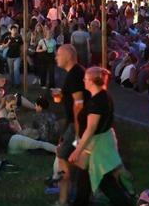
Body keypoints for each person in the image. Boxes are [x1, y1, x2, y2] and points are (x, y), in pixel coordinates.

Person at [68, 67, 132, 206]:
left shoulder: (98, 101)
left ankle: (125, 203)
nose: (83, 80)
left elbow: (91, 129)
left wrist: (77, 150)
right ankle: (80, 201)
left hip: (97, 145)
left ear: (92, 81)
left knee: (104, 179)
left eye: (85, 78)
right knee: (84, 176)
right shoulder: (101, 95)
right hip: (97, 143)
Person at [54, 44, 89, 206]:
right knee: (77, 159)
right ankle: (76, 194)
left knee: (62, 155)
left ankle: (63, 199)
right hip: (76, 123)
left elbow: (79, 103)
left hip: (77, 124)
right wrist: (61, 97)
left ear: (68, 56)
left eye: (59, 55)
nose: (56, 57)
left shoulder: (75, 74)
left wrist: (77, 130)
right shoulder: (75, 73)